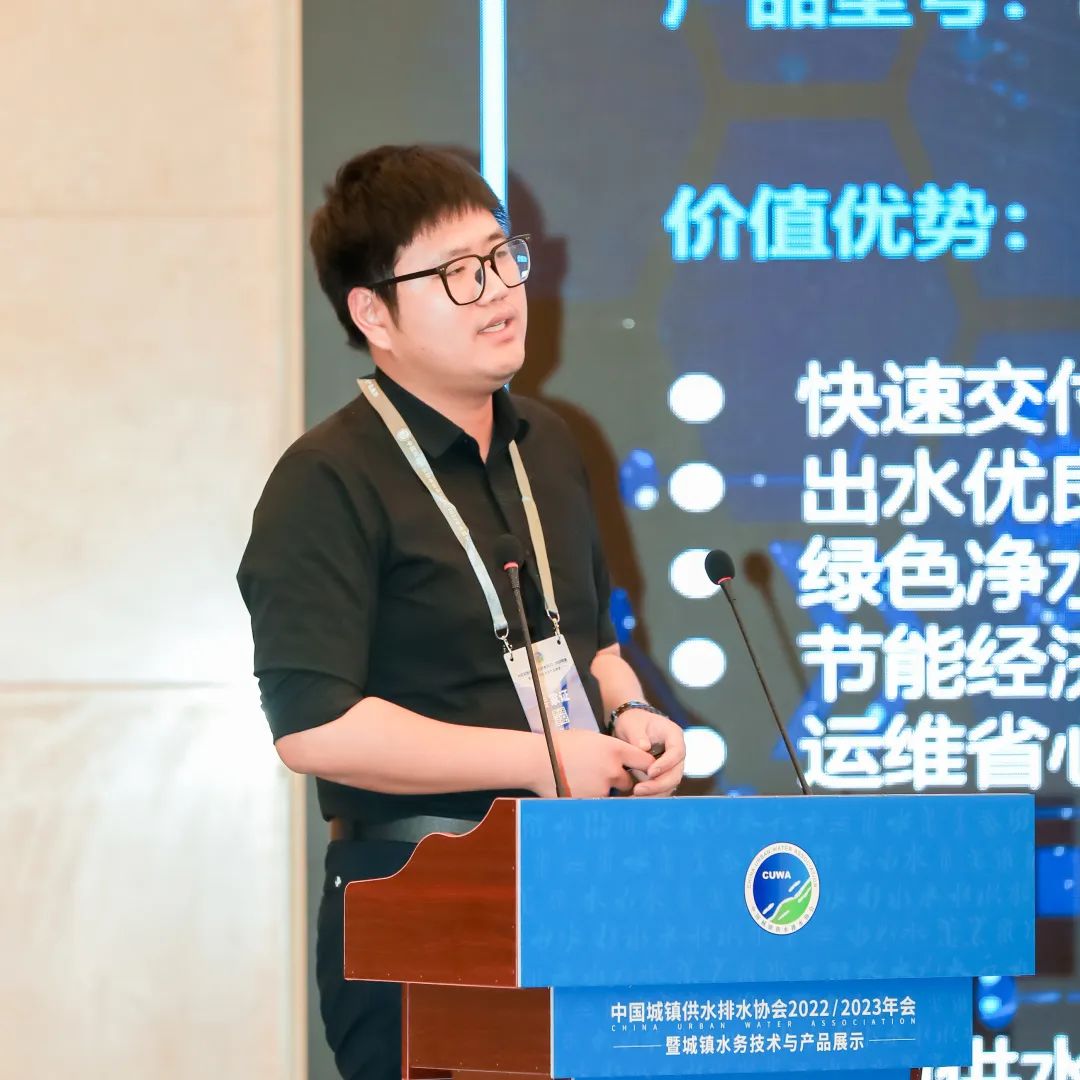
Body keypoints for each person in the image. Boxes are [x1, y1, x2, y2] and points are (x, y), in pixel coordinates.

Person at [237, 144, 686, 1080]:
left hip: (585, 887)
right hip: (422, 897)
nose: (498, 291)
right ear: (373, 314)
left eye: (500, 257)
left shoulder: (550, 444)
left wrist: (631, 711)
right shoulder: (326, 480)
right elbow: (315, 728)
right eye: (455, 273)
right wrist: (542, 761)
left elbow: (591, 643)